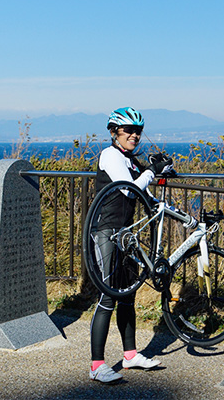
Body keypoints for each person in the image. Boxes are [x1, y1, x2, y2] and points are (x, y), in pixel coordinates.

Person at [88, 106, 173, 383]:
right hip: (105, 232)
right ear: (115, 132)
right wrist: (151, 172)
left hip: (126, 233)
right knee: (108, 295)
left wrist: (161, 189)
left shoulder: (132, 160)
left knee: (127, 295)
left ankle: (130, 355)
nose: (134, 135)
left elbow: (144, 195)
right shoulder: (110, 155)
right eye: (129, 131)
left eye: (138, 131)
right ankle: (97, 365)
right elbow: (129, 188)